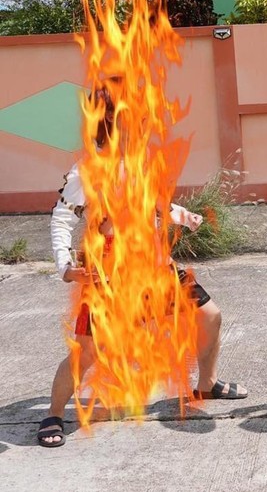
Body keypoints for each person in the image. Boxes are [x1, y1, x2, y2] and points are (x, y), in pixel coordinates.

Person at [38, 82, 247, 448]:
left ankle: (207, 385)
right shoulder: (86, 172)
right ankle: (53, 413)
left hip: (156, 269)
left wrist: (184, 216)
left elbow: (155, 206)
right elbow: (61, 219)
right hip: (112, 279)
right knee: (86, 351)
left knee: (209, 315)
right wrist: (65, 266)